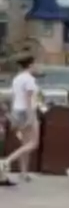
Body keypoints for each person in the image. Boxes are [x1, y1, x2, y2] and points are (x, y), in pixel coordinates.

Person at [0, 55, 40, 185]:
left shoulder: (16, 78)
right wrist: (31, 116)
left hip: (17, 110)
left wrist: (12, 114)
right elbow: (29, 99)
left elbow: (14, 96)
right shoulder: (29, 80)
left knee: (25, 144)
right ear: (30, 65)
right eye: (35, 64)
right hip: (26, 111)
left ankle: (24, 172)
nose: (36, 67)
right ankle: (7, 161)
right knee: (33, 143)